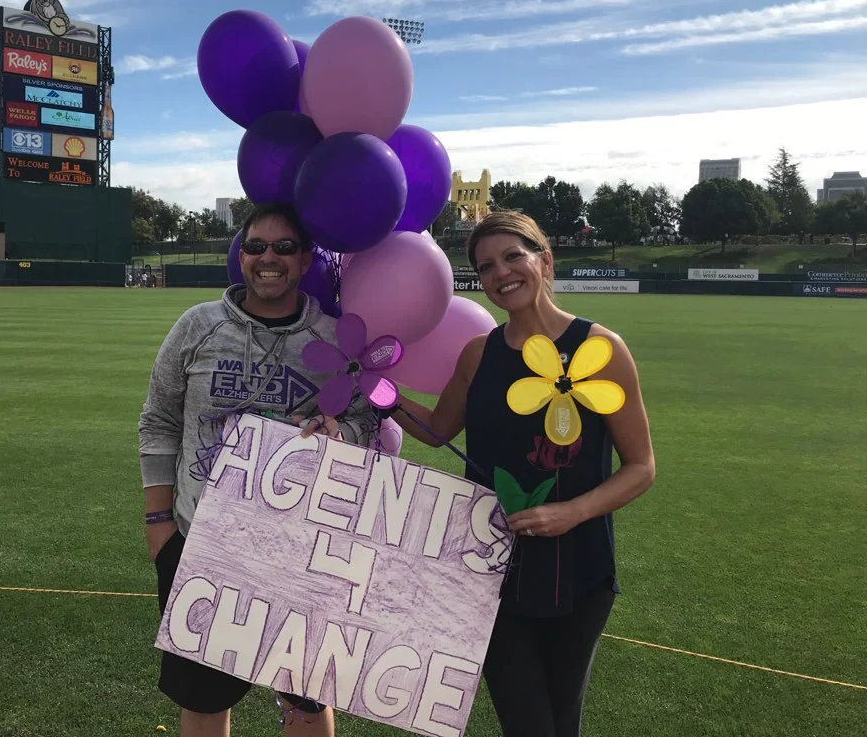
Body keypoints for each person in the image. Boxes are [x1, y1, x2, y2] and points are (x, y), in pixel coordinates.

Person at [389, 210, 655, 737]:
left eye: (514, 256)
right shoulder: (478, 354)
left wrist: (569, 513)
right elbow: (439, 428)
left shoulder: (599, 349)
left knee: (561, 722)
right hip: (490, 567)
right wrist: (378, 391)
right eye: (486, 267)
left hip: (578, 568)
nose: (501, 273)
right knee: (526, 724)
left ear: (544, 260)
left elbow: (642, 467)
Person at [138, 202, 378, 737]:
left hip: (299, 552)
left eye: (284, 247)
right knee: (204, 700)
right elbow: (158, 422)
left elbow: (369, 426)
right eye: (256, 246)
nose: (268, 258)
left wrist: (344, 433)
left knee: (307, 700)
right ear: (240, 255)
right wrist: (160, 526)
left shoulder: (333, 339)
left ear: (305, 259)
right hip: (201, 545)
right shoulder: (197, 327)